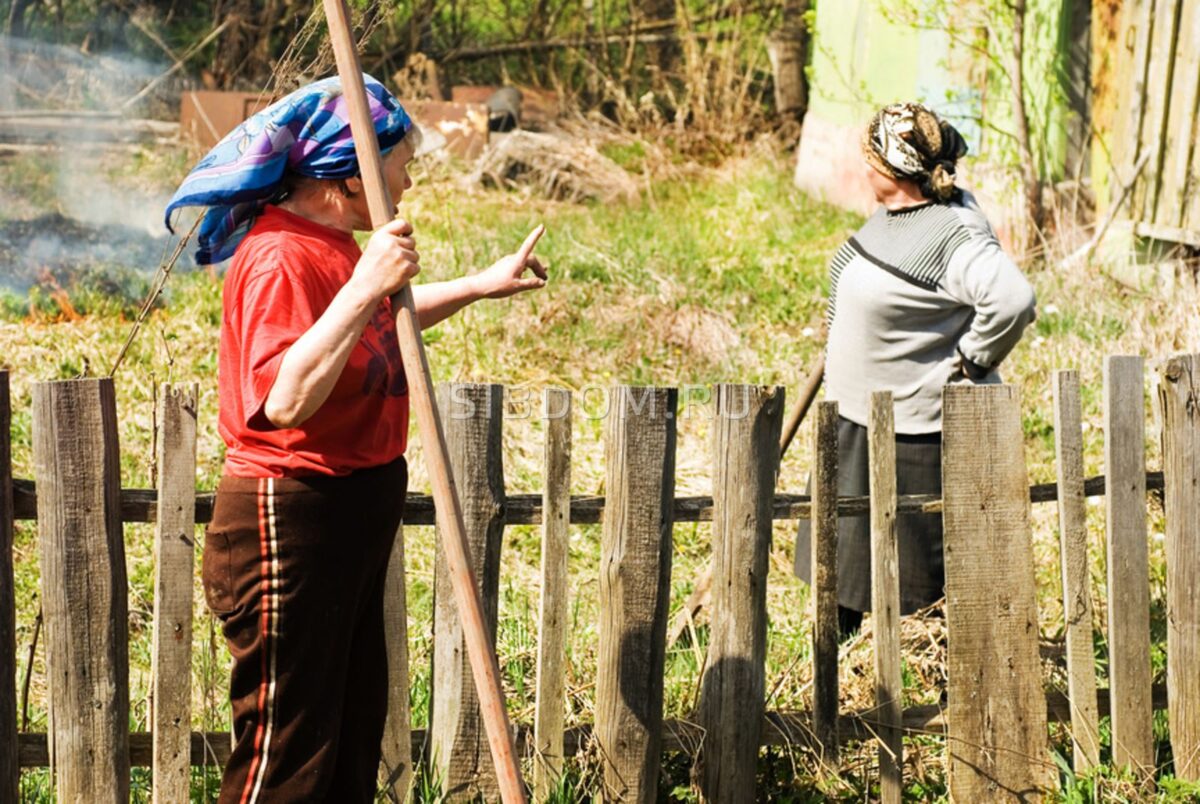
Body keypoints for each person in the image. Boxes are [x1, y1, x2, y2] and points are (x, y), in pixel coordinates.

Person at [164, 74, 547, 803]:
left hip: (347, 514)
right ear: (345, 178)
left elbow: (370, 324)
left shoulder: (336, 243)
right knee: (289, 758)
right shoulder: (281, 255)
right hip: (291, 518)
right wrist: (366, 284)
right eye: (399, 161)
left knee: (346, 748)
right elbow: (285, 397)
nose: (408, 178)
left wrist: (477, 285)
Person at [794, 102, 1036, 638]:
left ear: (890, 167)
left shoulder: (953, 232)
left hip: (905, 431)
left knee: (907, 588)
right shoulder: (899, 213)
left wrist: (972, 360)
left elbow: (1014, 299)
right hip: (856, 417)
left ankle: (904, 688)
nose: (862, 168)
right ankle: (838, 682)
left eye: (869, 158)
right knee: (842, 574)